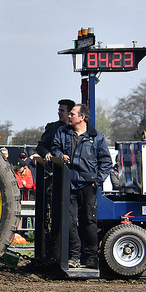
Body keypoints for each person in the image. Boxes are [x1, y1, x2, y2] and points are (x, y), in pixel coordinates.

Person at [51, 104, 112, 269]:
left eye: (72, 114)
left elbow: (106, 162)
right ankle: (75, 256)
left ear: (82, 117)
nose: (69, 116)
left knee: (89, 221)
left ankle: (91, 257)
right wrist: (59, 155)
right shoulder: (63, 133)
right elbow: (55, 148)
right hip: (69, 184)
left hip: (88, 185)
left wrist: (97, 181)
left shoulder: (97, 137)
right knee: (70, 221)